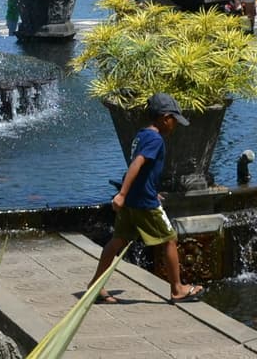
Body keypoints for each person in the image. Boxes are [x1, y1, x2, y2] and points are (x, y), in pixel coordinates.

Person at [85, 93, 203, 304]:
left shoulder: (142, 135)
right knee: (169, 239)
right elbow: (137, 164)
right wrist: (122, 194)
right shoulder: (156, 139)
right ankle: (177, 289)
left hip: (134, 198)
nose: (174, 125)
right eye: (174, 120)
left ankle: (95, 286)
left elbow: (143, 170)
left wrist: (131, 192)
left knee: (117, 240)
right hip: (144, 202)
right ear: (165, 117)